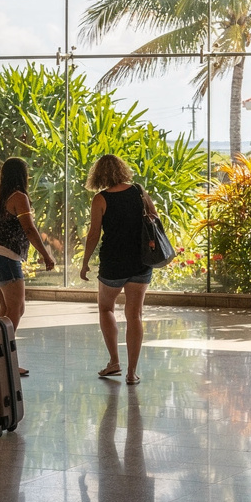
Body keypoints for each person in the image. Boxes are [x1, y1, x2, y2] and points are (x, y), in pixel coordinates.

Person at [80, 154, 159, 384]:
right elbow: (154, 217)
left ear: (99, 175)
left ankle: (114, 361)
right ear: (122, 170)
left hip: (113, 263)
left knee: (106, 308)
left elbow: (94, 234)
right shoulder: (138, 191)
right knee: (134, 314)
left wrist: (85, 262)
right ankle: (132, 372)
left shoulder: (100, 199)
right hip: (140, 261)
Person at [0, 157, 59, 377]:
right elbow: (29, 229)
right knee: (16, 310)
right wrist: (46, 255)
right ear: (23, 175)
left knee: (6, 310)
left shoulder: (0, 196)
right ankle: (3, 362)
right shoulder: (19, 197)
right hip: (6, 257)